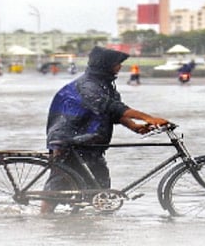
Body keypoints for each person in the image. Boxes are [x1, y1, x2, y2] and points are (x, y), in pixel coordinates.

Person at [41, 46, 169, 213]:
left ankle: (96, 228)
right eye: (117, 63)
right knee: (59, 182)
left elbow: (114, 112)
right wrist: (147, 118)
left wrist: (135, 127)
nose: (120, 66)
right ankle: (44, 219)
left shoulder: (105, 84)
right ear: (105, 64)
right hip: (70, 139)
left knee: (99, 188)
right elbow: (110, 106)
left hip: (90, 142)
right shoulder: (88, 85)